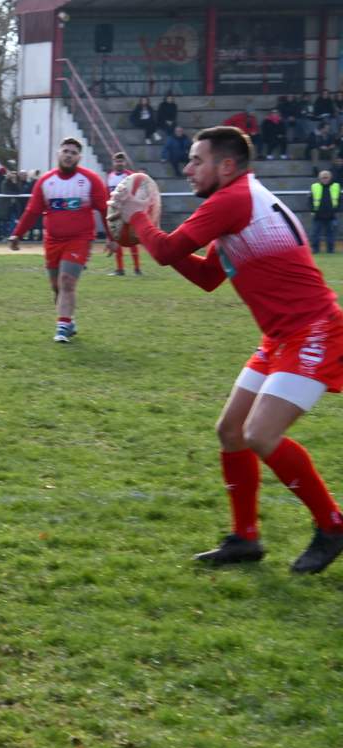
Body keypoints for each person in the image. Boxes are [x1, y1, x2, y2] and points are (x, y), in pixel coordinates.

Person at [116, 125, 343, 573]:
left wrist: (137, 216)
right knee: (230, 430)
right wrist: (146, 229)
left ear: (226, 165)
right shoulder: (239, 202)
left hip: (314, 330)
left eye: (196, 160)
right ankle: (246, 538)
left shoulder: (233, 200)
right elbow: (207, 277)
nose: (187, 168)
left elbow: (165, 251)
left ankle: (333, 524)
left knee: (260, 435)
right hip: (280, 336)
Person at [7, 137, 110, 344]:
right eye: (66, 151)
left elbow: (105, 209)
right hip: (53, 241)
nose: (69, 155)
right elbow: (32, 211)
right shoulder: (46, 182)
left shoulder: (91, 180)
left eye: (73, 152)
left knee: (67, 281)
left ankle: (62, 327)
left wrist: (112, 236)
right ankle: (68, 321)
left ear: (79, 157)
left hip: (79, 239)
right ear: (59, 153)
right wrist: (17, 234)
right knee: (56, 287)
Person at [105, 152, 142, 276]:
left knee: (131, 239)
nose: (119, 163)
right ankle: (120, 269)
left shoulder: (130, 176)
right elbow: (108, 194)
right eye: (117, 161)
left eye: (121, 161)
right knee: (118, 238)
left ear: (125, 162)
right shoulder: (109, 177)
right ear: (113, 162)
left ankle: (137, 268)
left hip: (128, 212)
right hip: (115, 213)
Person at [310, 169, 339, 254]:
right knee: (315, 233)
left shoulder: (336, 186)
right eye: (323, 177)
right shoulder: (314, 186)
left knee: (331, 234)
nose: (325, 179)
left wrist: (336, 210)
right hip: (318, 214)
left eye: (326, 177)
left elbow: (340, 200)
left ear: (330, 178)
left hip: (331, 215)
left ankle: (330, 250)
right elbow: (310, 200)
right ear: (320, 178)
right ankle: (315, 250)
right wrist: (312, 210)